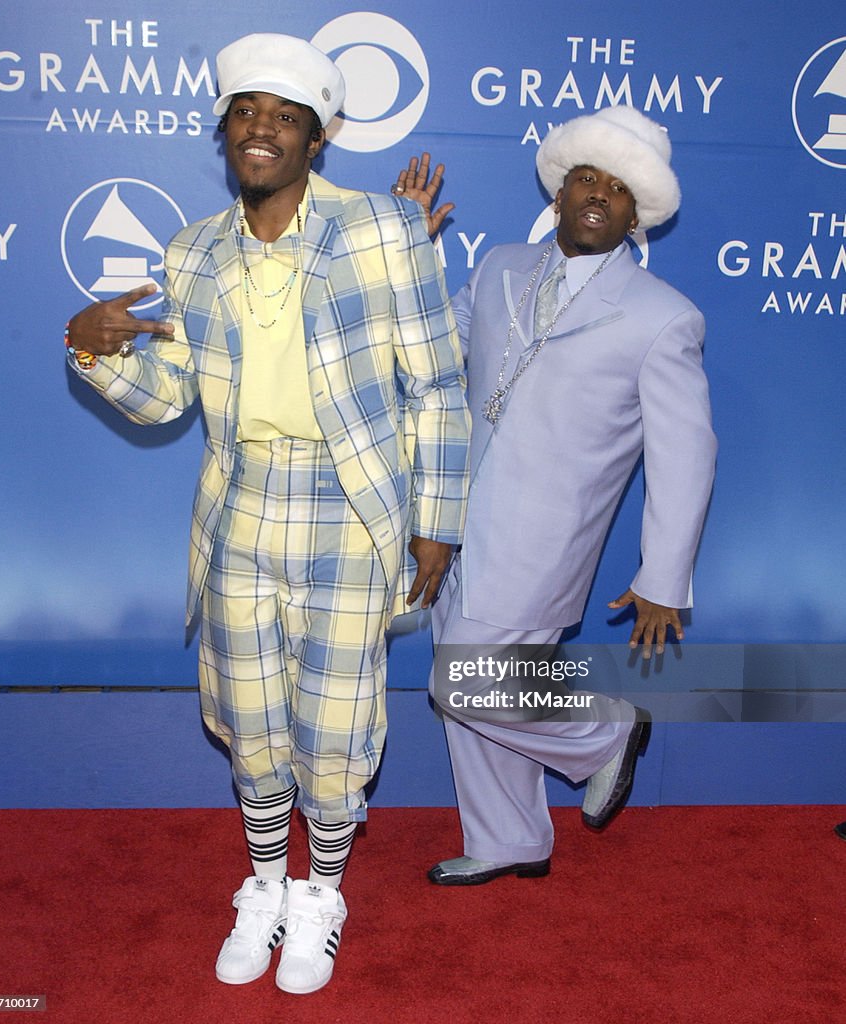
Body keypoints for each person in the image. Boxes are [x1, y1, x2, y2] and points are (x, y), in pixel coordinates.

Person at [64, 32, 470, 992]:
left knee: (333, 724)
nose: (263, 130)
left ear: (317, 138)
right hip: (238, 503)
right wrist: (95, 351)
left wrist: (438, 519)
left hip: (351, 508)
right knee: (250, 719)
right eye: (247, 112)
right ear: (224, 130)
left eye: (286, 118)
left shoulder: (383, 229)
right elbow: (172, 396)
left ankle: (320, 896)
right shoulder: (193, 249)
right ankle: (265, 881)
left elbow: (439, 388)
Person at [393, 106, 717, 885]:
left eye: (618, 187)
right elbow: (434, 349)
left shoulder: (663, 317)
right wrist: (407, 249)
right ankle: (510, 839)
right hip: (450, 520)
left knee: (462, 683)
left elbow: (687, 452)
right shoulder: (504, 264)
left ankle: (605, 732)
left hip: (545, 538)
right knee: (463, 678)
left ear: (638, 213)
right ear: (561, 189)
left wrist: (662, 577)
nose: (598, 194)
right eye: (586, 178)